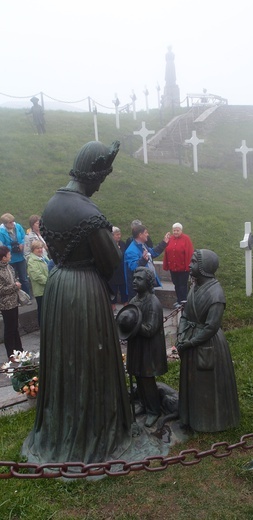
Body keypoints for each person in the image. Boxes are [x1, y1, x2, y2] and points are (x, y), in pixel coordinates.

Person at [22, 140, 132, 465]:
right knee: (90, 357)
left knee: (65, 358)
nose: (101, 185)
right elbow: (112, 263)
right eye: (102, 177)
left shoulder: (52, 204)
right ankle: (93, 427)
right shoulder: (90, 214)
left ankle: (63, 424)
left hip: (58, 288)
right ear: (92, 173)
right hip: (84, 290)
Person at [176, 249, 240, 433]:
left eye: (194, 262)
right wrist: (181, 334)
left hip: (207, 343)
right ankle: (191, 417)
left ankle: (212, 420)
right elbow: (186, 315)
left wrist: (190, 342)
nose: (189, 265)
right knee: (193, 382)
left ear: (204, 268)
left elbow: (211, 327)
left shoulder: (216, 294)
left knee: (207, 384)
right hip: (191, 339)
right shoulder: (194, 288)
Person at [120, 267, 168, 428]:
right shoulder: (134, 300)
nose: (134, 281)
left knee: (147, 380)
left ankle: (154, 410)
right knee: (138, 376)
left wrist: (133, 324)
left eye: (139, 279)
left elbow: (150, 329)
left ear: (148, 283)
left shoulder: (153, 303)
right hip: (137, 346)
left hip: (149, 349)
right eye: (134, 278)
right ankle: (143, 403)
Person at [124, 224, 170, 300]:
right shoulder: (131, 251)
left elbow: (152, 253)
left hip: (147, 285)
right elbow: (133, 268)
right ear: (140, 235)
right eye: (146, 232)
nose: (147, 234)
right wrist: (143, 260)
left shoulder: (142, 245)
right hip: (138, 291)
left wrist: (164, 242)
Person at [0, 246, 23, 361]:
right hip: (6, 304)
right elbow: (1, 289)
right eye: (8, 254)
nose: (10, 255)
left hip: (14, 301)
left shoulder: (9, 267)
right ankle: (11, 353)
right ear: (3, 257)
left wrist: (15, 283)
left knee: (15, 327)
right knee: (9, 328)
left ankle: (19, 350)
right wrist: (14, 286)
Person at [0, 213, 31, 298]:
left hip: (21, 257)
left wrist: (21, 244)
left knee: (24, 278)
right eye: (10, 222)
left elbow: (24, 237)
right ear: (5, 224)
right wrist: (14, 248)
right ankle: (17, 297)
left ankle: (27, 296)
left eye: (13, 221)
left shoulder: (18, 226)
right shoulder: (1, 231)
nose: (13, 224)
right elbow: (2, 246)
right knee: (12, 280)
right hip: (10, 259)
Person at [163, 222, 194, 305]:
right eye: (174, 230)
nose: (176, 232)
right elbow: (167, 252)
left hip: (183, 268)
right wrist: (166, 265)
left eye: (177, 230)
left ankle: (183, 301)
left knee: (182, 285)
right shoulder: (171, 239)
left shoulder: (186, 239)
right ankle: (179, 300)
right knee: (176, 284)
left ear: (181, 230)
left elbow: (189, 253)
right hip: (173, 267)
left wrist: (188, 266)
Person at [27, 240, 49, 326]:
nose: (40, 250)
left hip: (47, 288)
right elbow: (37, 276)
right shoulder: (32, 261)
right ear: (33, 249)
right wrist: (49, 282)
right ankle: (43, 328)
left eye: (41, 248)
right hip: (40, 290)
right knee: (42, 310)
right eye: (37, 248)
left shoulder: (43, 257)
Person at [108, 226, 128, 312]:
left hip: (122, 271)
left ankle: (126, 305)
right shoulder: (108, 245)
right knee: (113, 290)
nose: (119, 236)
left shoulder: (122, 244)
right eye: (117, 235)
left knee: (124, 288)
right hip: (113, 272)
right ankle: (113, 306)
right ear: (112, 236)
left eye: (119, 234)